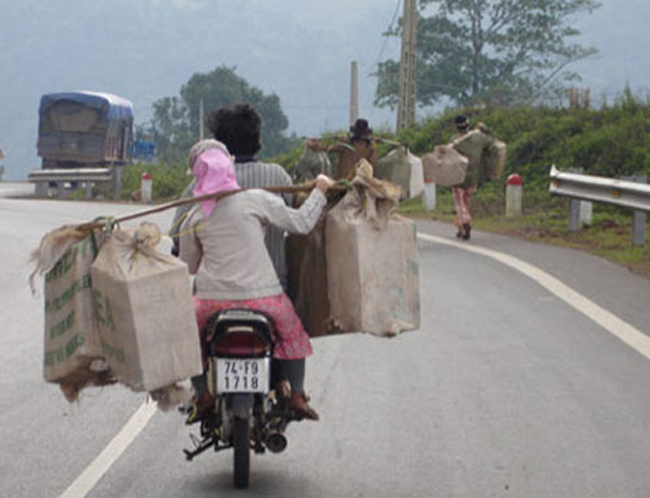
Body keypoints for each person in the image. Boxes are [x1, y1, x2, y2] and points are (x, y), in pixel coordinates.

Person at [179, 140, 333, 423]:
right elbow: (301, 223)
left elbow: (190, 265)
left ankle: (202, 395)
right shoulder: (256, 199)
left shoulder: (196, 215)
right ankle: (297, 394)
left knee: (186, 340)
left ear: (197, 176)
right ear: (229, 166)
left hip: (210, 302)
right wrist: (320, 190)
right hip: (266, 299)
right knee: (293, 333)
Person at [170, 103, 292, 291]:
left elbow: (176, 239)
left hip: (211, 292)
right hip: (271, 289)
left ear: (217, 147)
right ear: (259, 141)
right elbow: (295, 222)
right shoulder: (279, 176)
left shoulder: (199, 184)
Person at [450, 114, 496, 240]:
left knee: (459, 203)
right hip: (473, 178)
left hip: (458, 178)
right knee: (467, 201)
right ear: (468, 125)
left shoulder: (454, 141)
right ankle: (461, 227)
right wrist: (484, 129)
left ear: (456, 127)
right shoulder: (479, 138)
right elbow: (491, 141)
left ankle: (465, 222)